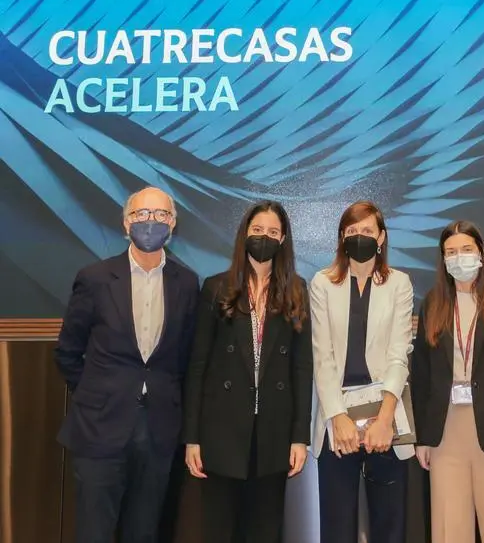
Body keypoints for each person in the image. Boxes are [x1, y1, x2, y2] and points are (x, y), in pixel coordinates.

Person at [54, 187, 199, 543]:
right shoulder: (95, 278)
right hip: (100, 430)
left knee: (144, 532)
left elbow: (185, 357)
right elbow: (68, 352)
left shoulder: (186, 283)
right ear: (125, 222)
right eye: (141, 214)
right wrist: (97, 395)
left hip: (159, 431)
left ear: (173, 224)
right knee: (94, 532)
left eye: (161, 215)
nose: (151, 222)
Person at [182, 201, 313, 543]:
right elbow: (198, 366)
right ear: (244, 234)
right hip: (221, 432)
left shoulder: (296, 290)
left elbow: (302, 368)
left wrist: (300, 437)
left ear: (282, 240)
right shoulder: (216, 288)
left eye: (272, 232)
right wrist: (192, 437)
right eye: (257, 230)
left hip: (273, 433)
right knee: (219, 530)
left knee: (264, 531)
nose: (264, 237)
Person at [411, 220, 484, 543]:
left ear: (481, 254)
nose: (458, 258)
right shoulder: (432, 305)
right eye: (450, 252)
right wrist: (423, 438)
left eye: (466, 249)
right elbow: (421, 375)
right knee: (449, 532)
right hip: (445, 435)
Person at [309, 200, 415, 543]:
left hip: (385, 420)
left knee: (390, 528)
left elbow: (399, 355)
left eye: (367, 230)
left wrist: (384, 420)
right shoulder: (322, 283)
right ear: (342, 237)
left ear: (381, 237)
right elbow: (322, 356)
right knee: (337, 529)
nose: (359, 236)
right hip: (337, 421)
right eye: (351, 231)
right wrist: (338, 417)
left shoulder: (399, 283)